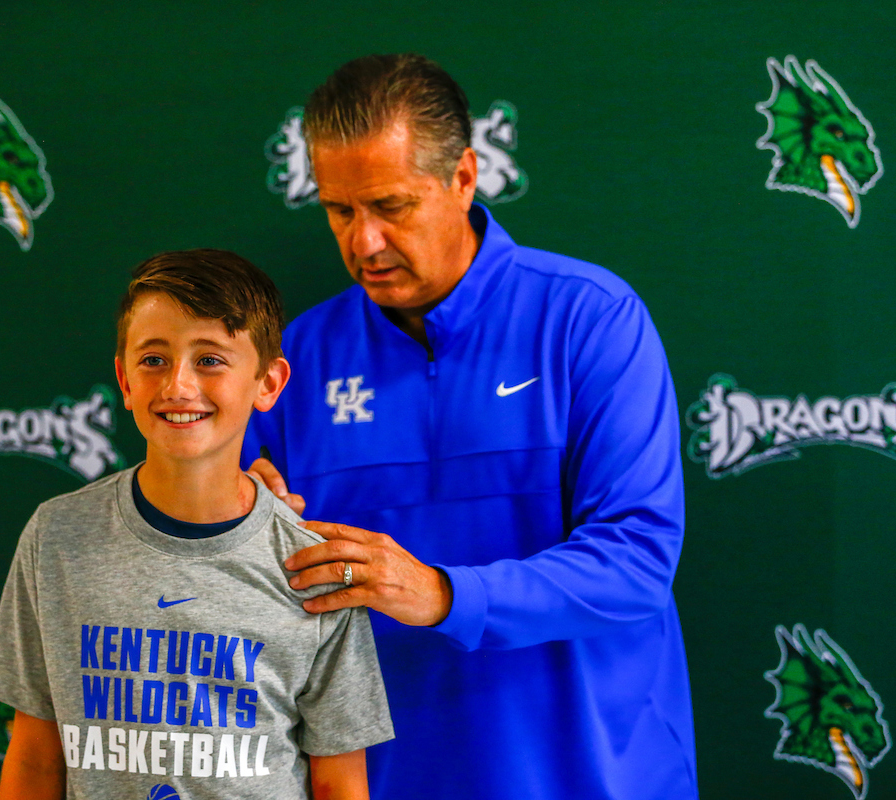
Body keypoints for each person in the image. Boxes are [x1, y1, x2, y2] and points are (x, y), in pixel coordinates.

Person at [243, 54, 697, 799]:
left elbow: (638, 561)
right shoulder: (293, 359)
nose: (363, 243)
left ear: (462, 177)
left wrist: (441, 593)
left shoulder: (591, 318)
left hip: (591, 777)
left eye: (390, 206)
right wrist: (231, 513)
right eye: (338, 210)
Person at [0, 249, 394, 800]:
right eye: (154, 359)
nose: (178, 385)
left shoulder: (312, 566)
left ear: (268, 383)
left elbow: (340, 783)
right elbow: (33, 759)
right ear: (124, 380)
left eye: (211, 360)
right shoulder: (56, 538)